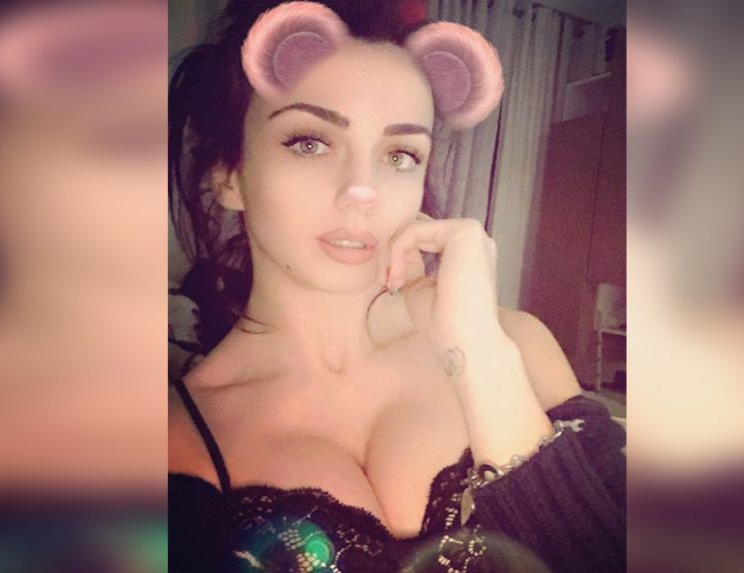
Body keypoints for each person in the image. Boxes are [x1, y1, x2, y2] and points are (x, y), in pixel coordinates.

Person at [168, 1, 626, 571]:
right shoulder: (176, 437)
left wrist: (478, 358)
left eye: (400, 155)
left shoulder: (515, 347)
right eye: (309, 142)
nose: (361, 192)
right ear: (229, 175)